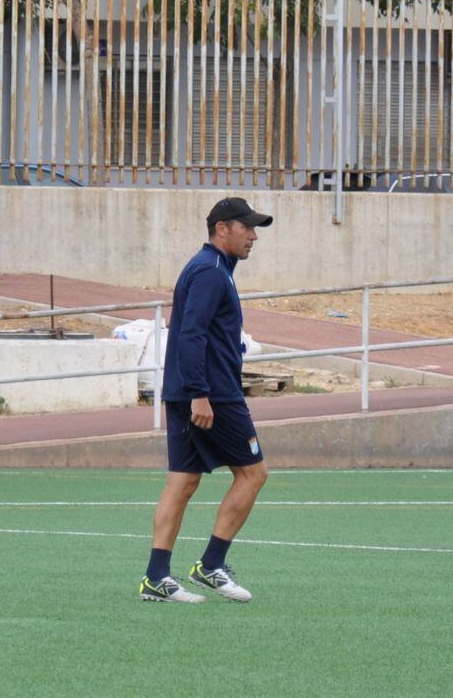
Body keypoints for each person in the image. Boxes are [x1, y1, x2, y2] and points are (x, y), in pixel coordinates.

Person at [139, 197, 273, 604]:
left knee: (182, 480)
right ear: (222, 229)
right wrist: (200, 393)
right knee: (253, 474)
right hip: (212, 395)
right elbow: (191, 333)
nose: (253, 236)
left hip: (192, 390)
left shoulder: (213, 268)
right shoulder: (211, 271)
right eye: (246, 228)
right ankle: (211, 564)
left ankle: (156, 577)